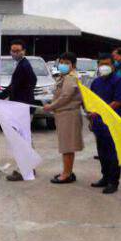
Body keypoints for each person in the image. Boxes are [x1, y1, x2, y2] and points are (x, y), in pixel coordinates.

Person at [0, 39, 37, 182]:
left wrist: (0, 97)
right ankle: (30, 166)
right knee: (25, 139)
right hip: (22, 107)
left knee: (22, 140)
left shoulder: (24, 65)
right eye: (13, 51)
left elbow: (22, 84)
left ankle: (23, 170)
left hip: (22, 108)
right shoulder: (21, 64)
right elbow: (18, 84)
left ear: (24, 51)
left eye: (18, 51)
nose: (15, 53)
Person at [89, 53, 121, 194]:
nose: (104, 67)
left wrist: (100, 112)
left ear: (113, 66)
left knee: (113, 154)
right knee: (102, 152)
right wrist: (92, 119)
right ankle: (105, 177)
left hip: (113, 123)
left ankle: (113, 181)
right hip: (99, 124)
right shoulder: (96, 82)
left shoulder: (119, 81)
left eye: (107, 64)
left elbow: (119, 101)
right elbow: (91, 101)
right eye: (101, 64)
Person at [44, 52, 83, 184]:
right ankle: (67, 171)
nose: (63, 65)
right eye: (61, 62)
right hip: (64, 114)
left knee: (67, 146)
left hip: (68, 114)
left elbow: (66, 96)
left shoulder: (71, 78)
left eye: (67, 63)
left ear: (73, 65)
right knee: (66, 145)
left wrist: (51, 106)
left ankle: (66, 174)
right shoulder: (63, 77)